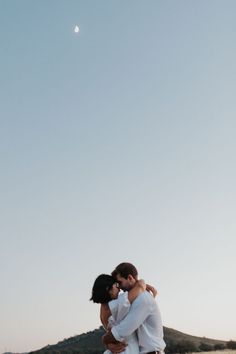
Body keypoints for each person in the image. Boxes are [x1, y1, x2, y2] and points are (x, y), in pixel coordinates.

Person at [102, 262, 166, 354]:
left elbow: (124, 329)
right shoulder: (133, 298)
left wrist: (105, 339)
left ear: (130, 278)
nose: (119, 287)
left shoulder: (143, 298)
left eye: (120, 282)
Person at [90, 273, 157, 354]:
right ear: (108, 289)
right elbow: (139, 287)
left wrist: (108, 343)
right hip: (128, 350)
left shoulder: (103, 310)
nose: (119, 289)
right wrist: (142, 283)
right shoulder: (116, 305)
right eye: (117, 286)